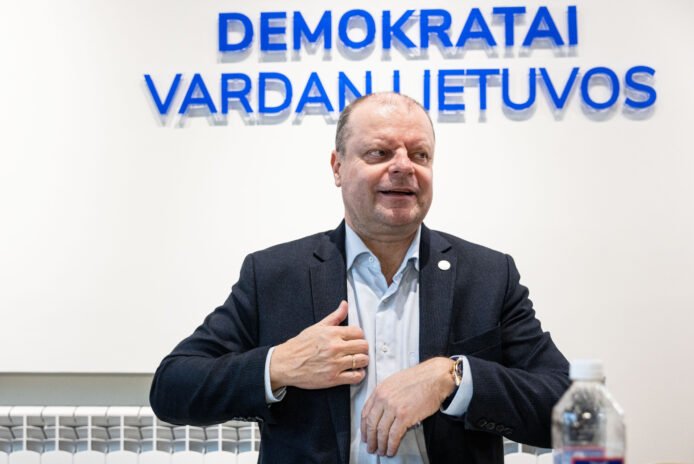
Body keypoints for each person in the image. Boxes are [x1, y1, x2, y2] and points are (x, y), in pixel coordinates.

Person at [149, 92, 570, 463]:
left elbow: (568, 408)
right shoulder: (274, 275)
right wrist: (279, 365)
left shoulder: (488, 276)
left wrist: (453, 377)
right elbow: (173, 388)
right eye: (379, 153)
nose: (403, 167)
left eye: (420, 155)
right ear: (337, 167)